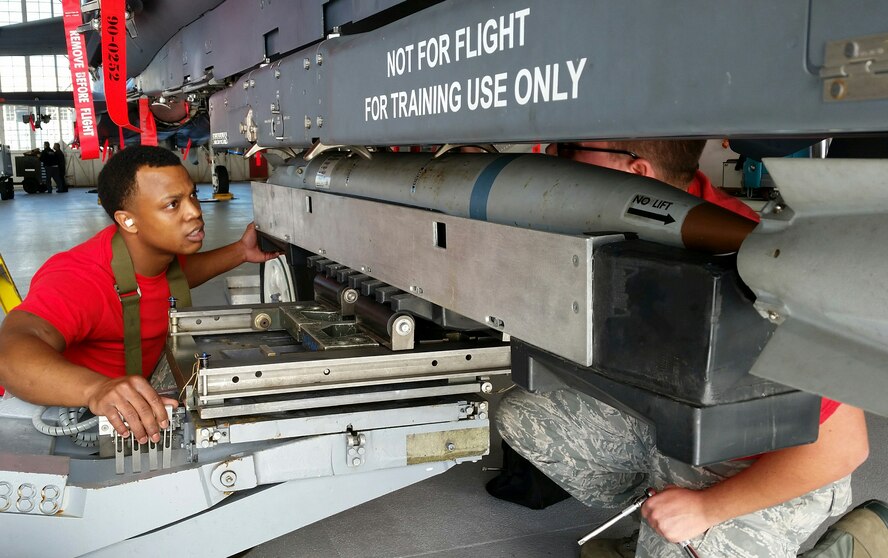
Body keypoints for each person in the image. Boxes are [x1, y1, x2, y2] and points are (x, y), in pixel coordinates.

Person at [496, 139, 870, 557]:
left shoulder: (759, 268)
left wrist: (707, 508)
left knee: (688, 532)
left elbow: (843, 448)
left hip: (761, 464)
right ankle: (661, 527)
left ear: (636, 173)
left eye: (569, 150)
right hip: (674, 426)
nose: (552, 156)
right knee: (529, 418)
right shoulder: (630, 225)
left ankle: (852, 545)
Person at [0, 146, 279, 445]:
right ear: (128, 220)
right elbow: (9, 355)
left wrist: (240, 252)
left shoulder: (159, 257)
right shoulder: (79, 277)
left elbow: (173, 278)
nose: (195, 212)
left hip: (141, 392)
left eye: (192, 195)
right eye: (172, 204)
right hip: (80, 414)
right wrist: (96, 390)